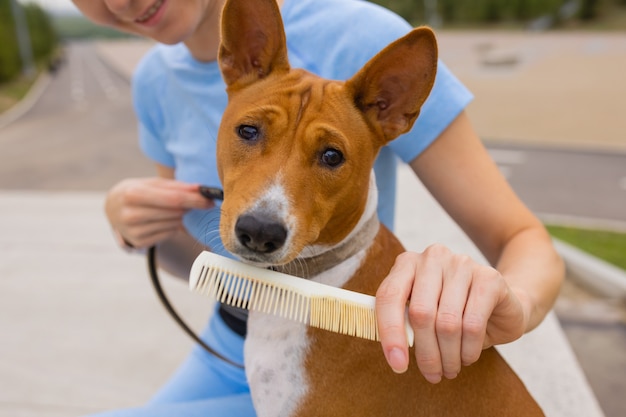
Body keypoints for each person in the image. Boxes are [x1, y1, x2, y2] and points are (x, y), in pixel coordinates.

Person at [72, 0, 564, 415]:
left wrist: (509, 305)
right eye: (249, 132)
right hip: (231, 336)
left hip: (350, 324)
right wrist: (139, 229)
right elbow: (207, 263)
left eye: (330, 155)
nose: (122, 3)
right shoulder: (155, 81)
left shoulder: (359, 34)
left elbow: (520, 236)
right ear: (236, 57)